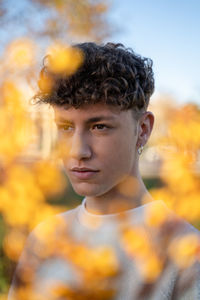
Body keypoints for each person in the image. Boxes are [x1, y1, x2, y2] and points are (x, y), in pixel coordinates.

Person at [8, 42, 200, 300]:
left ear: (142, 130)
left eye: (99, 127)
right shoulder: (43, 238)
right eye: (65, 128)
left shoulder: (185, 252)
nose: (78, 151)